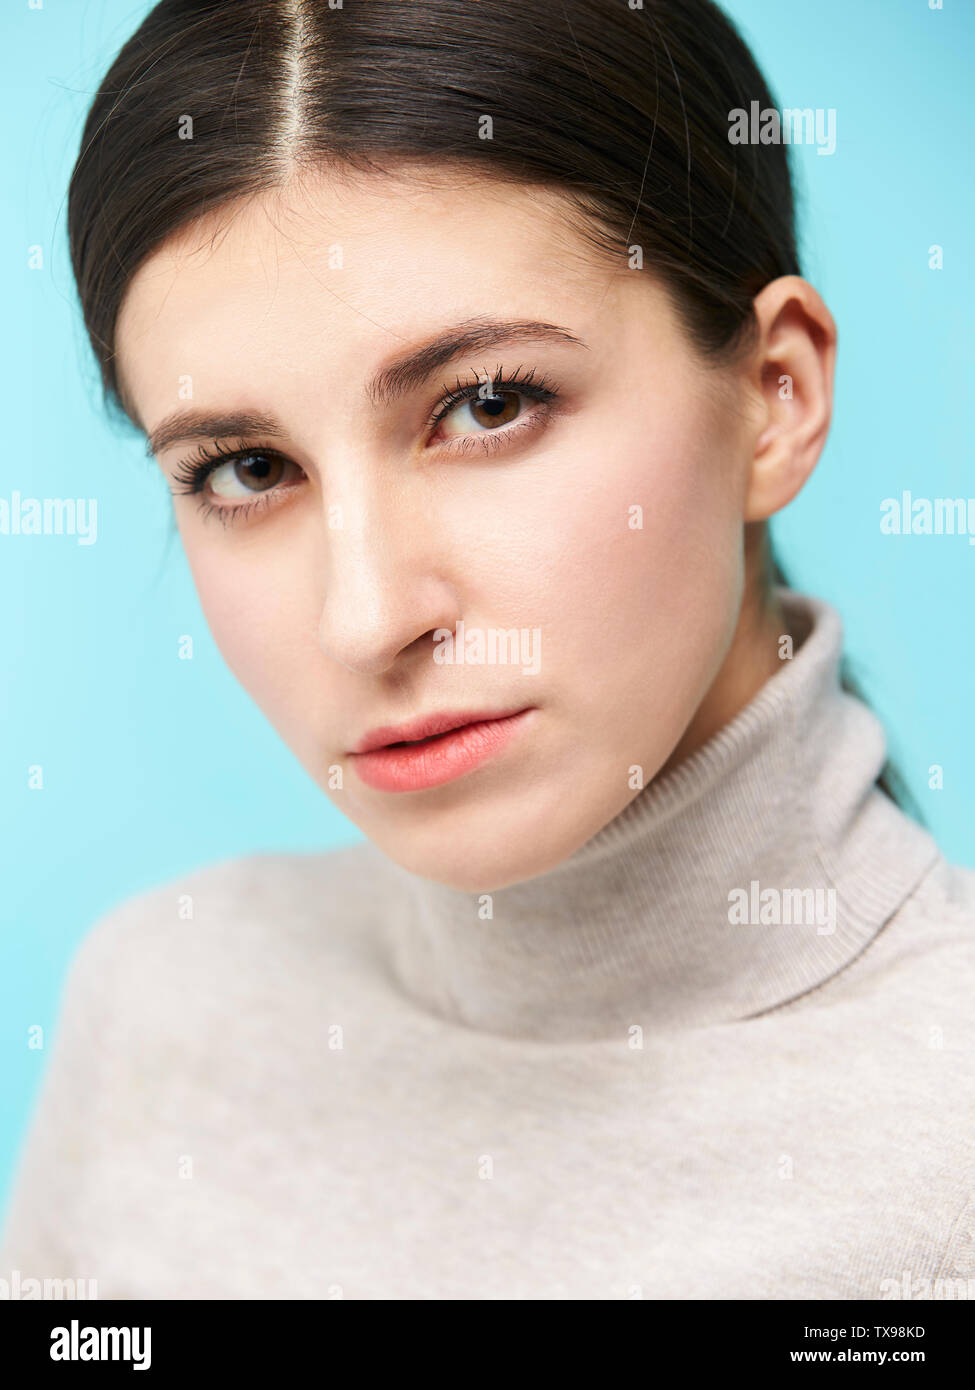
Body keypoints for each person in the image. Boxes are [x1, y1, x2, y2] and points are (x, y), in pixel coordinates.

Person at [2, 0, 972, 1300]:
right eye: (246, 467)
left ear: (773, 396)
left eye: (489, 404)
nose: (365, 615)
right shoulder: (159, 1006)